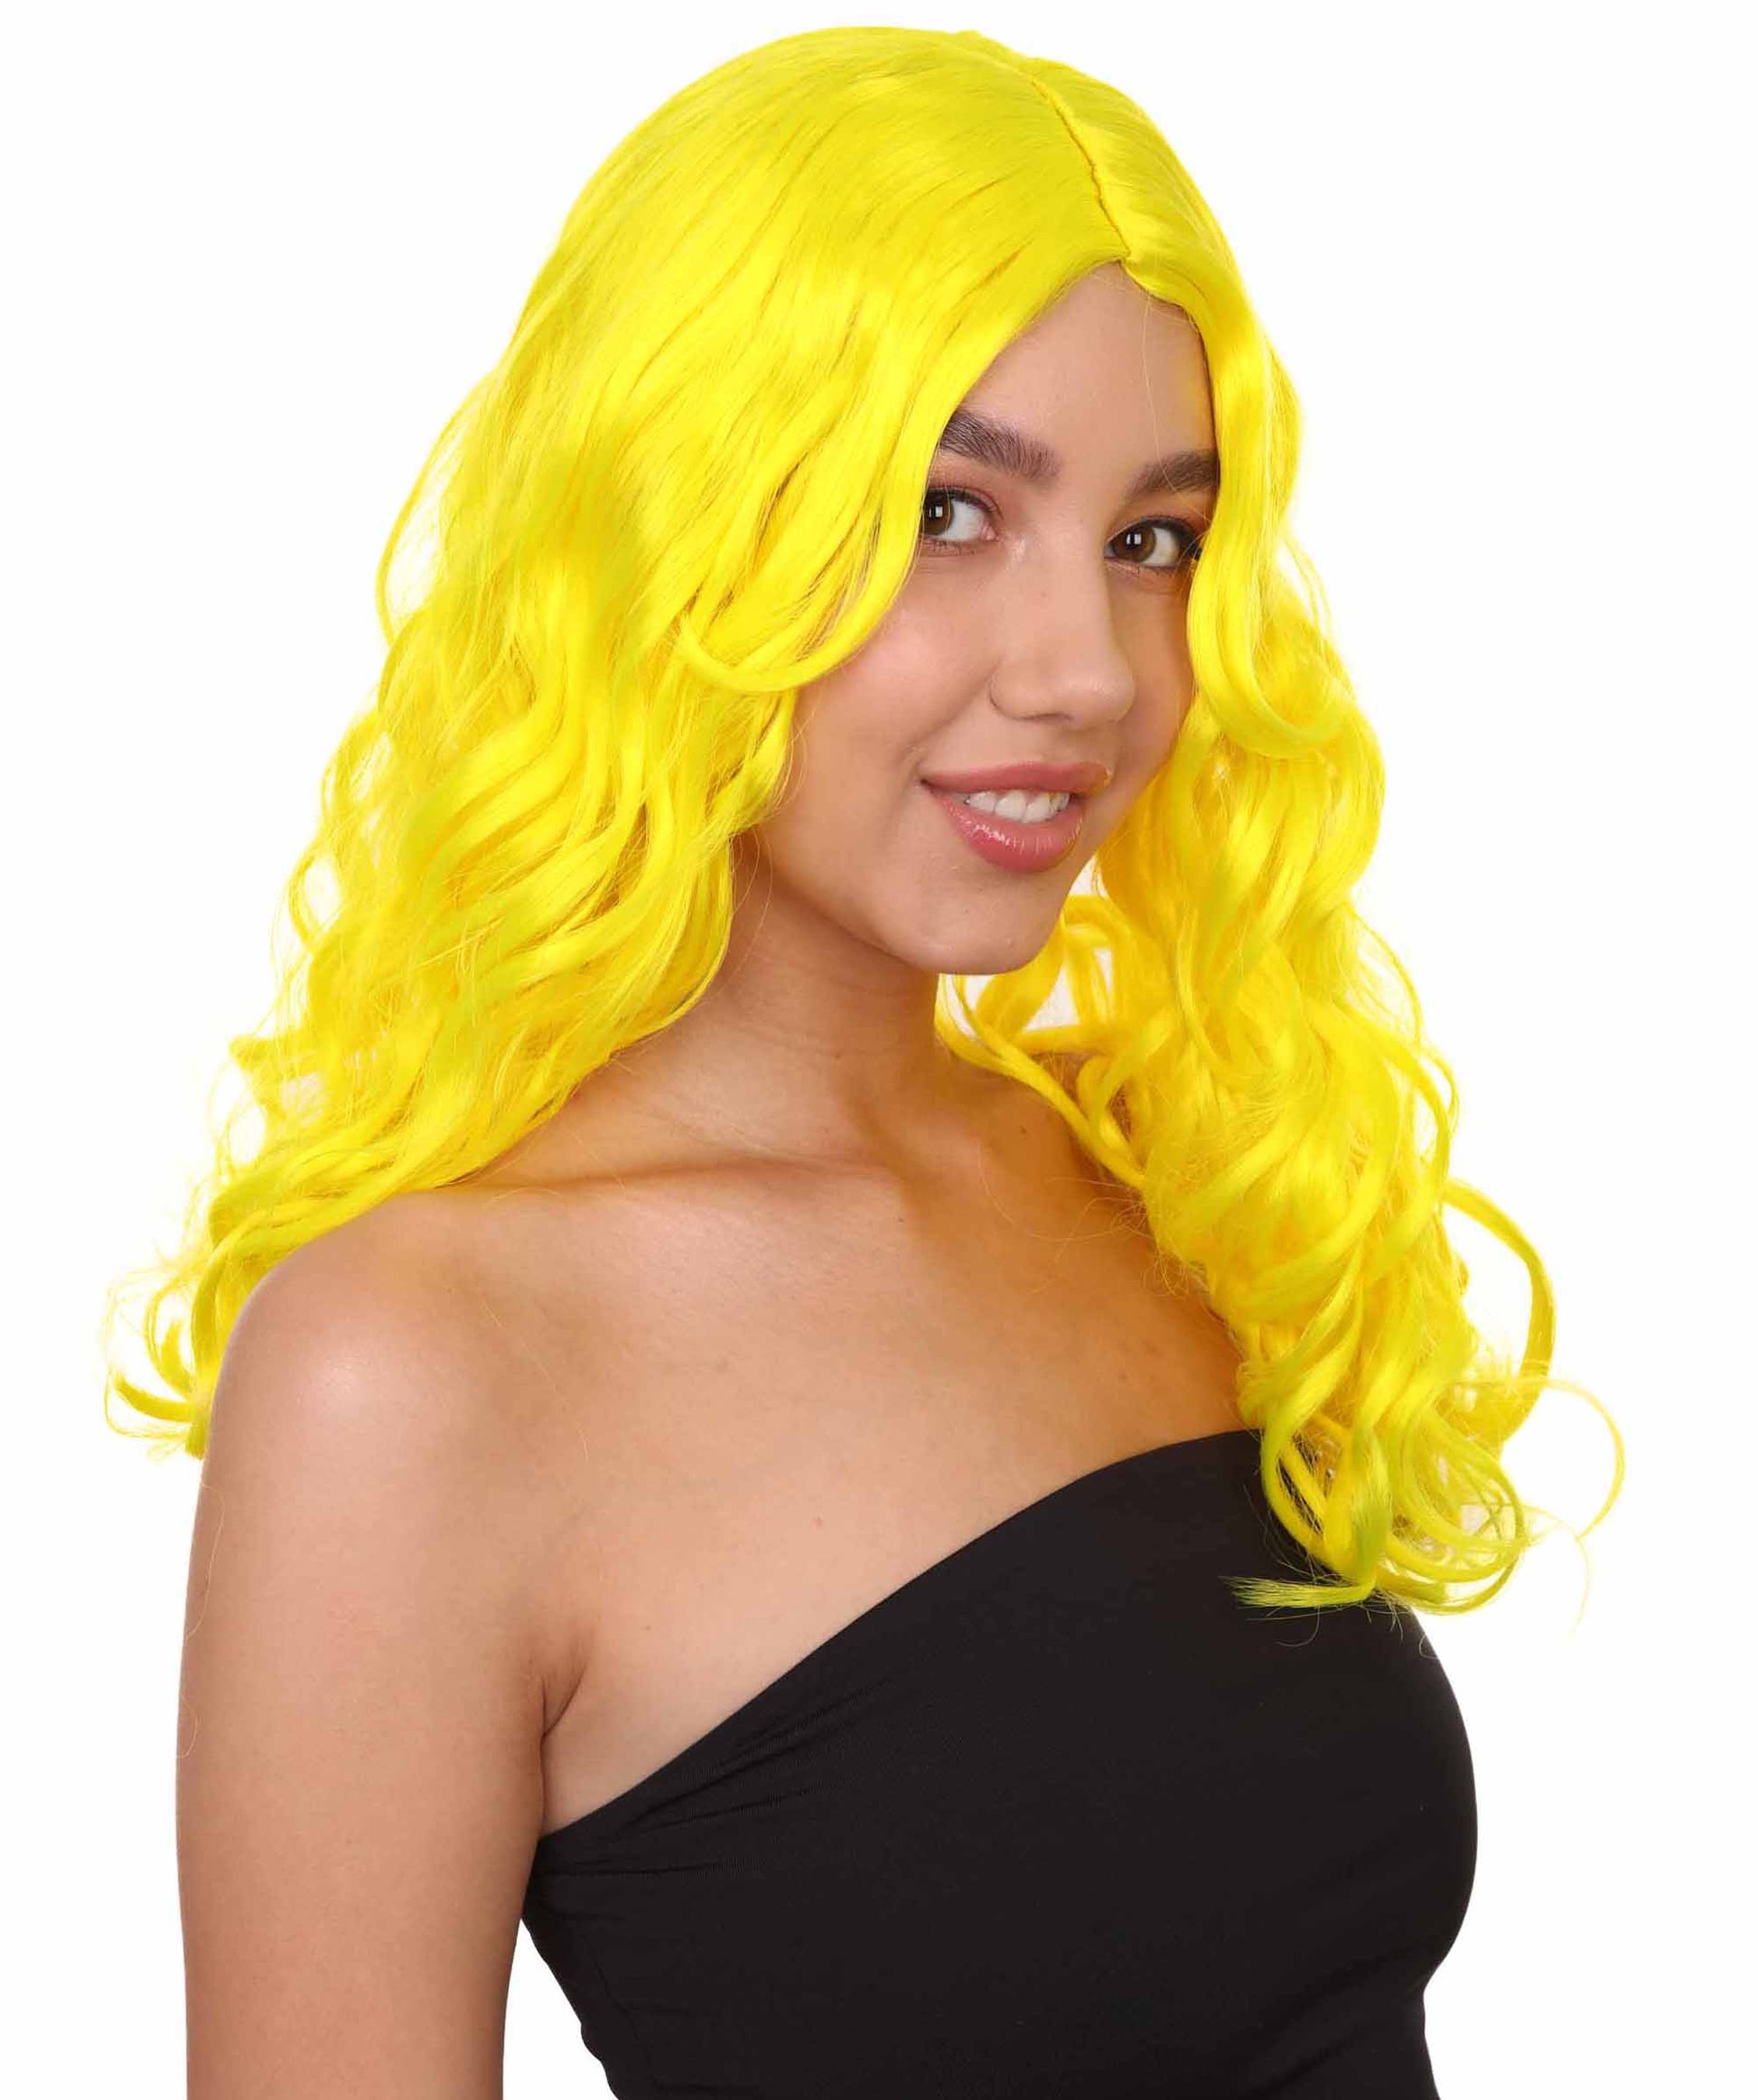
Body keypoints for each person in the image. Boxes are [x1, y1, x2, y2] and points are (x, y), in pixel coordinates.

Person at [106, 24, 1622, 2097]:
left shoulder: (1152, 1176)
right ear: (667, 539)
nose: (1084, 672)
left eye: (1153, 539)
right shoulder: (417, 1365)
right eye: (943, 511)